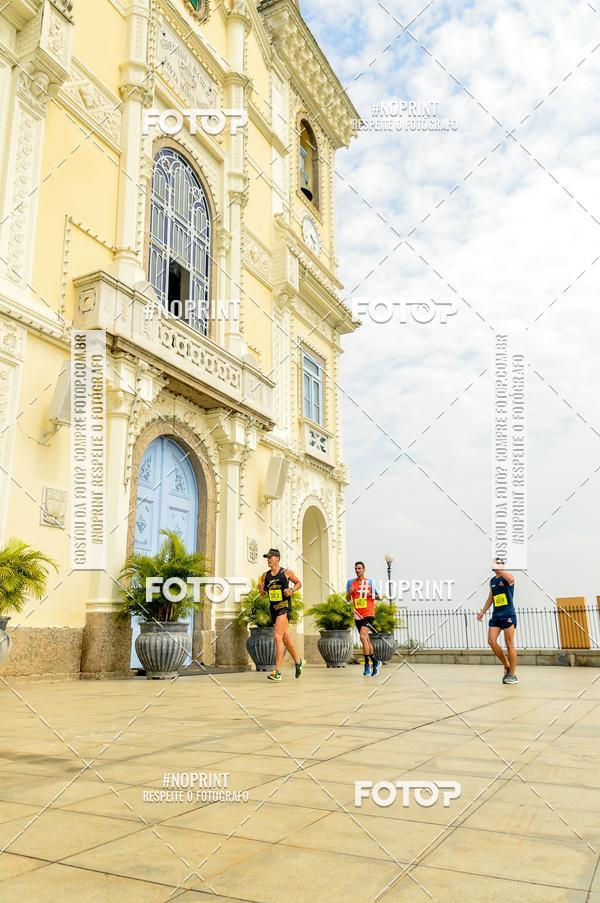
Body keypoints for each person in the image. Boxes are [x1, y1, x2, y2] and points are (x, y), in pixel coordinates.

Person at [259, 549, 305, 682]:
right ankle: (298, 661)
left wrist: (291, 590)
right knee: (285, 637)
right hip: (273, 609)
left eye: (270, 557)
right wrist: (261, 590)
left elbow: (299, 583)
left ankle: (277, 671)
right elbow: (263, 595)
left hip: (284, 608)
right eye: (267, 557)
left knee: (277, 637)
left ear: (277, 558)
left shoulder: (286, 573)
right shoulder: (265, 576)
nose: (268, 559)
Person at [477, 558, 518, 684]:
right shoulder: (492, 581)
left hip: (508, 614)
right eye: (495, 562)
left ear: (503, 565)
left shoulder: (508, 577)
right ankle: (506, 664)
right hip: (496, 615)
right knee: (491, 641)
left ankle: (512, 674)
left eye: (499, 562)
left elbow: (511, 580)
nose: (496, 564)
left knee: (509, 644)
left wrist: (501, 569)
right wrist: (483, 611)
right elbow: (491, 597)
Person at [346, 561, 381, 676]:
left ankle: (367, 665)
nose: (357, 570)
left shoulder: (370, 582)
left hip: (369, 614)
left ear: (364, 569)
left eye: (359, 568)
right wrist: (349, 593)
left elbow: (379, 596)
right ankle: (375, 662)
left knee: (362, 636)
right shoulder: (350, 583)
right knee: (365, 639)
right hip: (358, 615)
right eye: (356, 568)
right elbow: (347, 599)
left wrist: (370, 595)